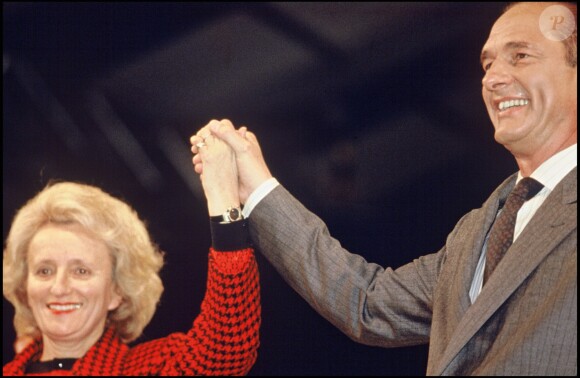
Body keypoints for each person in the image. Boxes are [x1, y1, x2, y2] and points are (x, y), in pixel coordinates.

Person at [190, 2, 576, 375]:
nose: (492, 78)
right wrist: (258, 187)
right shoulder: (478, 231)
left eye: (520, 56)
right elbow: (368, 304)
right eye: (487, 63)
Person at [2, 131, 260, 375]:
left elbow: (226, 346)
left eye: (80, 271)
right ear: (24, 286)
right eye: (44, 271)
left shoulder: (151, 367)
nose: (59, 287)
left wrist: (223, 197)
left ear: (117, 291)